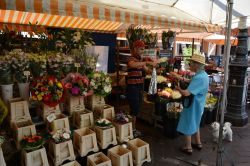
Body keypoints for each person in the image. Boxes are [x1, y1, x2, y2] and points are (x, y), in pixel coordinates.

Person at [170, 53, 209, 155]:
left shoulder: (199, 77)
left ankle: (188, 147)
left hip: (192, 105)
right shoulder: (203, 75)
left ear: (196, 64)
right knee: (195, 123)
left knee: (188, 123)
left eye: (191, 63)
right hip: (199, 104)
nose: (189, 64)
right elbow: (191, 81)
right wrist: (179, 77)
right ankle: (198, 143)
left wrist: (178, 88)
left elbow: (186, 93)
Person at [126, 40, 158, 136]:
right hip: (132, 87)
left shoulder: (140, 60)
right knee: (134, 108)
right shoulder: (131, 58)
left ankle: (132, 128)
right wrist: (146, 62)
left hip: (139, 87)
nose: (142, 51)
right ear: (135, 49)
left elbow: (147, 71)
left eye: (143, 49)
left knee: (137, 108)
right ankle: (132, 130)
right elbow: (132, 64)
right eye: (141, 49)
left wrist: (155, 68)